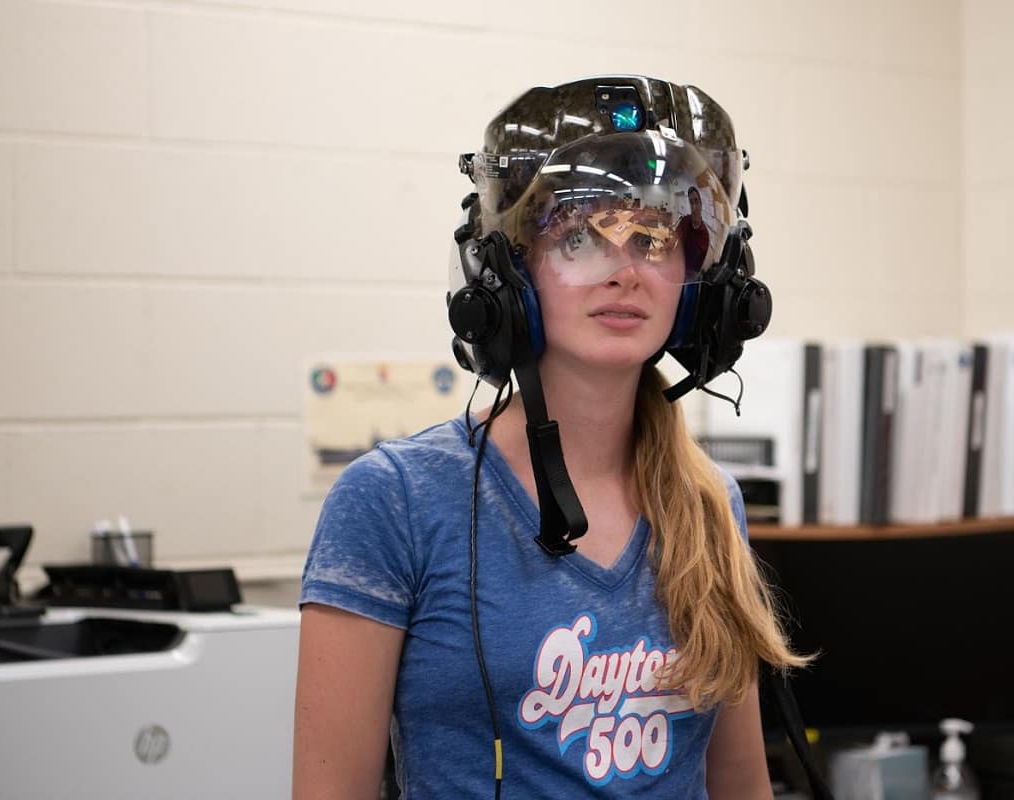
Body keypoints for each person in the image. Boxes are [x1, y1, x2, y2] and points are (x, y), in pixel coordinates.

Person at [293, 75, 802, 799]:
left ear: (705, 281)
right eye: (577, 237)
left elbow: (742, 788)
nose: (624, 270)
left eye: (654, 239)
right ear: (505, 276)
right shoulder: (394, 501)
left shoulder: (708, 500)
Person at [674, 185, 712, 275]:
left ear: (701, 204)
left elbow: (699, 267)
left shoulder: (704, 235)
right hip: (676, 264)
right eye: (691, 202)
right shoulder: (685, 220)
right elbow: (674, 237)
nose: (694, 207)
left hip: (689, 274)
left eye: (696, 201)